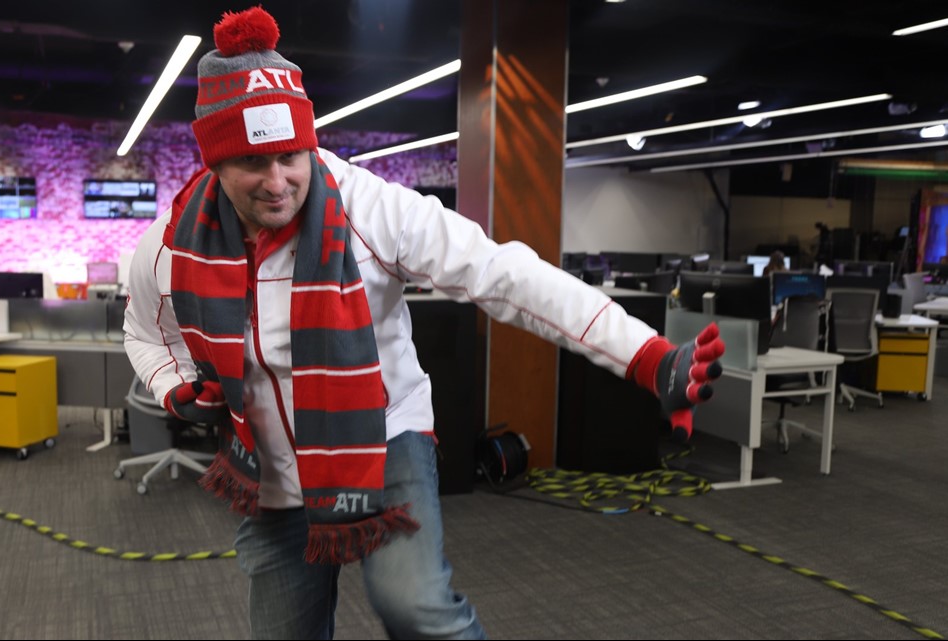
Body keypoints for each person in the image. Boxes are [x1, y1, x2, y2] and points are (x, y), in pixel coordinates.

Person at [122, 7, 725, 640]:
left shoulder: (368, 208)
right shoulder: (169, 245)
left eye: (292, 156)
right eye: (252, 163)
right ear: (215, 164)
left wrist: (649, 356)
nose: (279, 183)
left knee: (415, 609)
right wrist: (173, 383)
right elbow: (144, 329)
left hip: (384, 434)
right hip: (270, 461)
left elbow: (507, 275)